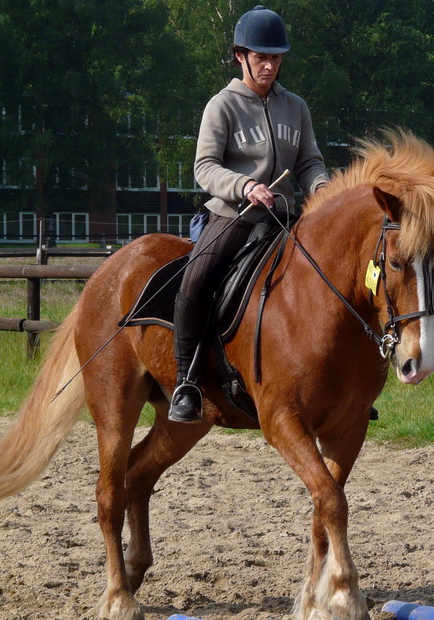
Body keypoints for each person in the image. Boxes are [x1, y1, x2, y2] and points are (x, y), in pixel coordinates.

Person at [170, 5, 330, 423]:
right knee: (197, 279)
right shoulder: (221, 106)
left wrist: (322, 189)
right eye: (262, 56)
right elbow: (203, 167)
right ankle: (186, 382)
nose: (270, 64)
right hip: (232, 215)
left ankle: (338, 384)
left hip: (285, 218)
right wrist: (244, 186)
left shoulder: (296, 106)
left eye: (276, 57)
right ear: (240, 55)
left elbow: (309, 161)